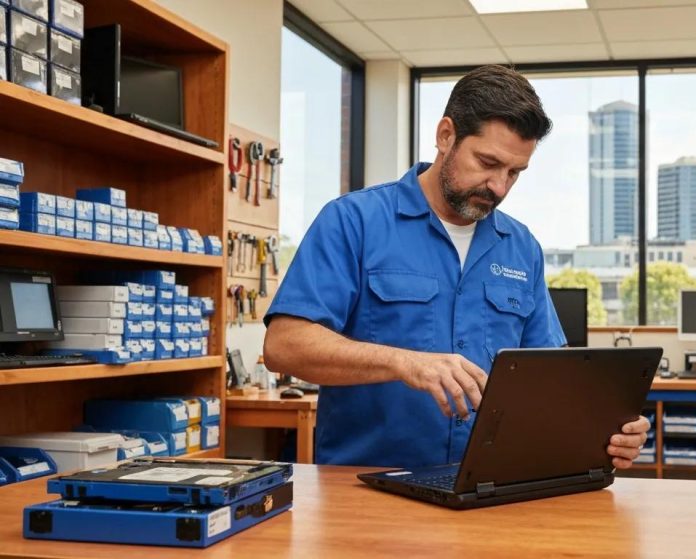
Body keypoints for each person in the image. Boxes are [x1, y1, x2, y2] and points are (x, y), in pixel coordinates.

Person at [263, 64, 650, 469]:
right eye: (487, 162)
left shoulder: (521, 248)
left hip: (489, 485)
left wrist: (604, 428)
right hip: (366, 486)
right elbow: (284, 345)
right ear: (445, 135)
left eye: (514, 173)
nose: (499, 187)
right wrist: (404, 362)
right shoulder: (353, 221)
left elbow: (549, 380)